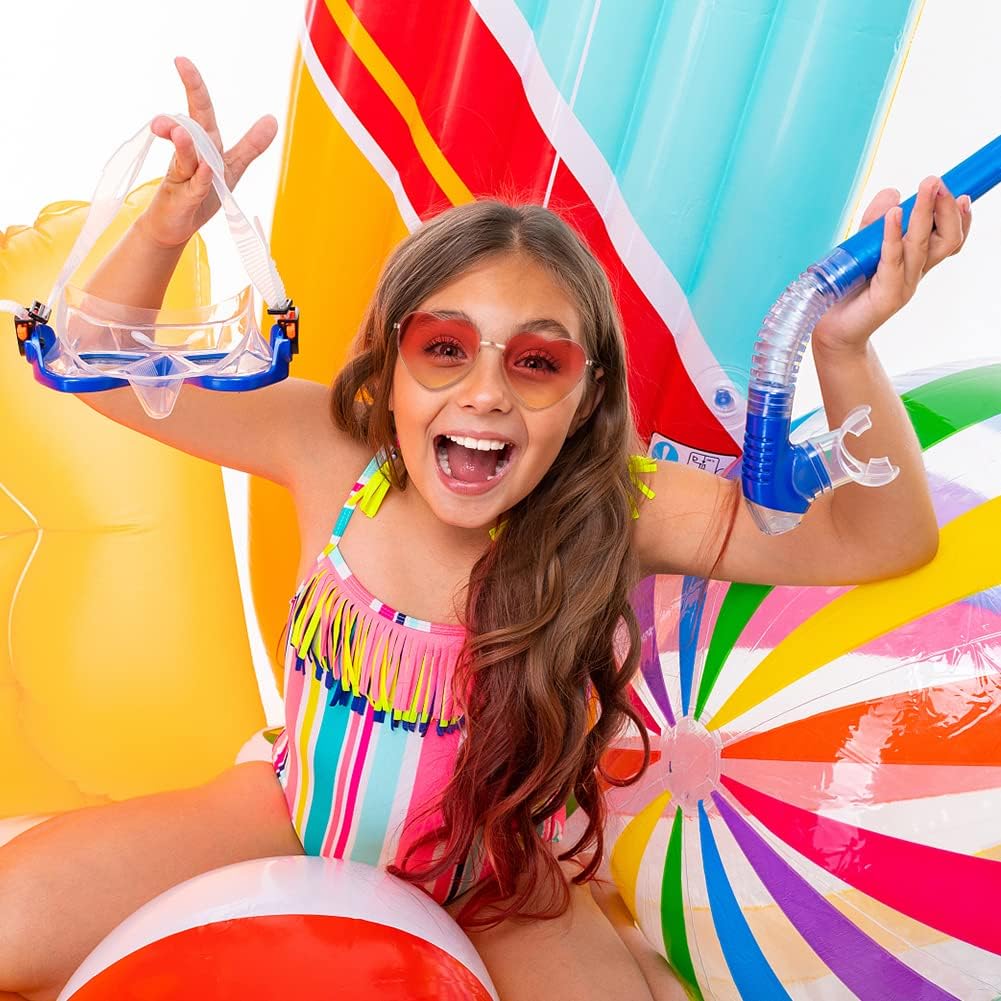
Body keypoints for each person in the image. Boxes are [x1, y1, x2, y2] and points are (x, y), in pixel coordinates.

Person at [0, 56, 973, 1001]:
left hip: (500, 881)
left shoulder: (610, 502)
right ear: (388, 363)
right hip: (290, 810)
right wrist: (167, 224)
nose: (485, 391)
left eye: (536, 362)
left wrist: (842, 345)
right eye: (445, 348)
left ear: (586, 396)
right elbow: (95, 370)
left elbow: (879, 540)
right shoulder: (326, 446)